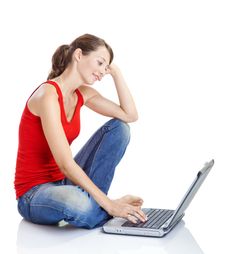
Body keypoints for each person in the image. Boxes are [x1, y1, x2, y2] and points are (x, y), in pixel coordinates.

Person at [14, 34, 147, 229]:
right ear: (78, 55)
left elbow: (130, 115)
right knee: (78, 202)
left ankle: (100, 206)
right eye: (100, 63)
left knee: (120, 129)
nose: (102, 72)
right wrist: (110, 204)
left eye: (106, 67)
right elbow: (65, 163)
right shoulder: (48, 95)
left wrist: (116, 73)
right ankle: (106, 205)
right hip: (33, 194)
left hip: (64, 182)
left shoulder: (82, 94)